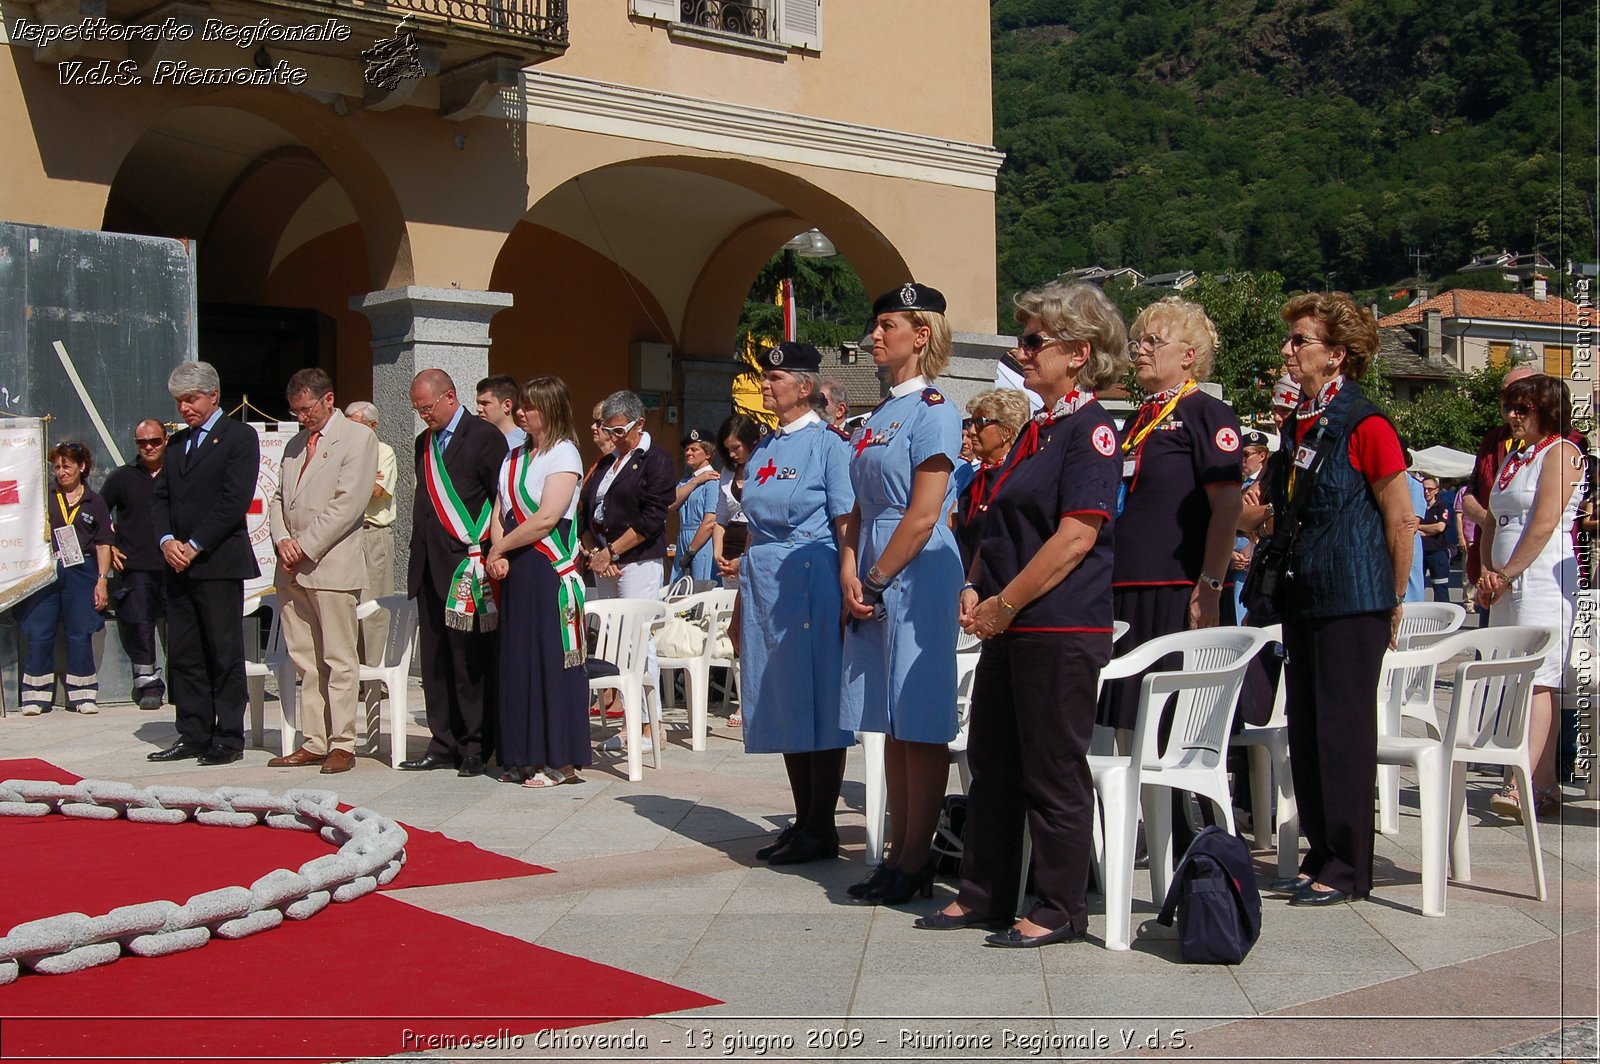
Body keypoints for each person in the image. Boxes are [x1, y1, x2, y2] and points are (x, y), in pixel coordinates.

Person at [918, 281, 1125, 947]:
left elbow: (1076, 536)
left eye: (1035, 341)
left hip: (1059, 623)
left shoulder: (1090, 431)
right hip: (1012, 620)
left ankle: (1060, 905)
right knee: (994, 761)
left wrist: (1007, 602)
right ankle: (983, 892)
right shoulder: (1038, 428)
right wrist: (978, 585)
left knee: (1052, 768)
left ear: (1079, 352)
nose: (1021, 351)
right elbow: (999, 525)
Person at [1260, 292, 1413, 906]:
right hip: (1307, 593)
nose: (1288, 350)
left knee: (1343, 729)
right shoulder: (1303, 421)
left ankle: (1348, 865)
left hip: (1354, 596)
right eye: (1290, 339)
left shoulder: (1366, 422)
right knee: (1309, 726)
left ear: (1338, 354)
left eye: (1301, 340)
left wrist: (1395, 597)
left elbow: (1399, 518)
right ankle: (1321, 853)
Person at [840, 282, 963, 905]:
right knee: (887, 721)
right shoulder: (877, 416)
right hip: (873, 565)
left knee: (920, 718)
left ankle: (916, 858)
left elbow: (923, 513)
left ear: (921, 334)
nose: (875, 335)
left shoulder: (935, 408)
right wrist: (849, 568)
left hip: (916, 568)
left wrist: (877, 577)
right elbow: (858, 507)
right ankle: (894, 852)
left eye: (889, 325)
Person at [732, 342, 856, 864]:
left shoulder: (828, 445)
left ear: (804, 387)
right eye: (766, 375)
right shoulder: (764, 447)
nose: (767, 383)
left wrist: (851, 577)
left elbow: (846, 518)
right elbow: (749, 519)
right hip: (764, 579)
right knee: (782, 697)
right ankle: (802, 818)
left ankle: (821, 824)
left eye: (777, 376)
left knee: (817, 699)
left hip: (810, 574)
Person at [1101, 297, 1243, 755]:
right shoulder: (1139, 419)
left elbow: (1226, 505)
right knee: (1126, 723)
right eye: (1137, 341)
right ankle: (1140, 819)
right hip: (1125, 583)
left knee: (1166, 725)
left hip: (1176, 585)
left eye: (1153, 342)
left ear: (1188, 355)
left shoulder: (1207, 414)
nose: (1140, 350)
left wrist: (1211, 584)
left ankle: (1181, 826)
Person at [1477, 374, 1583, 822]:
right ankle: (1544, 786)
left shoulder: (1563, 453)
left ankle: (1519, 783)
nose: (1512, 416)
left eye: (1523, 408)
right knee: (1516, 680)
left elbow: (1542, 523)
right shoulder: (1516, 457)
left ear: (1547, 410)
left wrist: (1505, 572)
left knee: (1539, 678)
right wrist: (1486, 572)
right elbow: (1493, 521)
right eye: (1508, 406)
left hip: (1541, 580)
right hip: (1506, 581)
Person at [265, 369, 379, 775]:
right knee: (305, 659)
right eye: (295, 411)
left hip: (330, 563)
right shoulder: (296, 444)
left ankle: (343, 742)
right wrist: (282, 541)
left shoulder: (358, 437)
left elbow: (348, 504)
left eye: (307, 409)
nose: (301, 418)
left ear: (328, 400)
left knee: (338, 657)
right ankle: (314, 740)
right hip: (291, 567)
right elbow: (278, 496)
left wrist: (306, 545)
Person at [148, 361, 261, 765]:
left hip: (218, 562)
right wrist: (166, 541)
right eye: (179, 402)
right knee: (185, 652)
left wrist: (195, 544)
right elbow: (159, 499)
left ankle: (227, 736)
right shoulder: (177, 445)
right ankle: (193, 732)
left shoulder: (239, 437)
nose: (185, 409)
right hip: (177, 565)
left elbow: (234, 500)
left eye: (191, 399)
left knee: (222, 650)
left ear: (213, 395)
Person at [484, 376, 591, 788]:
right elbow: (499, 509)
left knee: (551, 662)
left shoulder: (564, 455)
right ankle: (522, 754)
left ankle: (560, 760)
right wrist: (499, 552)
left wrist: (500, 549)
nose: (522, 412)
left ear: (550, 409)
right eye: (521, 406)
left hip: (547, 571)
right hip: (516, 567)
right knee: (518, 661)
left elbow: (547, 517)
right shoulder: (513, 456)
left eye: (530, 406)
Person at [403, 368, 509, 777]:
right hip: (429, 566)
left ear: (449, 396)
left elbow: (497, 501)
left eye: (427, 407)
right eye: (418, 409)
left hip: (467, 565)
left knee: (469, 661)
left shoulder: (484, 437)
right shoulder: (423, 443)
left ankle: (476, 744)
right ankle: (442, 741)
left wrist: (487, 553)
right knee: (435, 662)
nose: (423, 415)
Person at [16, 441, 113, 715]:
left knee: (80, 631)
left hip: (82, 569)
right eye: (57, 467)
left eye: (67, 466)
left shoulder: (95, 502)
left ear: (81, 467)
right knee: (39, 630)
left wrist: (102, 580)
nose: (61, 472)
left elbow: (104, 543)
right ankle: (35, 695)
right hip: (47, 567)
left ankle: (82, 694)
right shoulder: (44, 497)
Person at [578, 390, 676, 599]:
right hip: (604, 562)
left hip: (638, 561)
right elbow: (585, 511)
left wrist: (611, 552)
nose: (614, 437)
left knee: (636, 626)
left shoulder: (656, 460)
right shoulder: (606, 462)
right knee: (608, 628)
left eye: (620, 430)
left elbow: (652, 518)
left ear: (639, 424)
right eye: (608, 430)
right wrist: (598, 553)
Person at [101, 419, 169, 710]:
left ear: (166, 440)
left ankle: (186, 684)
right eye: (143, 442)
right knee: (140, 624)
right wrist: (110, 547)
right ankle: (147, 684)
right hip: (136, 565)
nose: (149, 447)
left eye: (154, 441)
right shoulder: (121, 478)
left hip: (176, 562)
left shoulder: (180, 473)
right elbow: (98, 515)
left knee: (183, 626)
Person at [343, 401, 398, 662]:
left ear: (372, 426)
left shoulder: (383, 452)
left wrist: (346, 484)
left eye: (354, 424)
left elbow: (375, 492)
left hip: (372, 533)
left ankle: (375, 678)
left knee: (375, 605)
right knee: (345, 606)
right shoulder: (338, 452)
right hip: (344, 535)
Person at [956, 388, 1031, 569]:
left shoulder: (1022, 479)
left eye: (980, 422)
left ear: (1006, 432)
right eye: (972, 422)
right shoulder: (976, 479)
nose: (972, 431)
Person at [713, 414, 761, 592]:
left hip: (754, 554)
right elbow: (721, 517)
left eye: (736, 448)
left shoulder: (763, 468)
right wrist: (718, 553)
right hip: (729, 556)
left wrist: (743, 560)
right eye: (727, 449)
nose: (732, 454)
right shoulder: (727, 472)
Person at [670, 428, 720, 584]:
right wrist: (696, 481)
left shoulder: (713, 482)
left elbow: (710, 521)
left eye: (694, 449)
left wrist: (691, 551)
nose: (688, 453)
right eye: (687, 449)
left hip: (701, 541)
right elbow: (671, 503)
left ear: (708, 454)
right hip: (683, 538)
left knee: (700, 586)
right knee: (678, 588)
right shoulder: (687, 482)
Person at [1419, 477, 1453, 602]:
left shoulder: (1441, 506)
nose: (1426, 492)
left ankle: (1444, 619)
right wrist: (1428, 529)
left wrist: (1419, 527)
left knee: (1440, 588)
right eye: (1424, 489)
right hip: (1420, 552)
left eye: (1430, 489)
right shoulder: (1418, 506)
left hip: (1437, 552)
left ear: (1436, 490)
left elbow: (1440, 527)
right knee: (1417, 587)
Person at [476, 374, 528, 450]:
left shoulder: (526, 443)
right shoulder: (476, 440)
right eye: (478, 403)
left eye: (485, 403)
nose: (478, 409)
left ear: (507, 406)